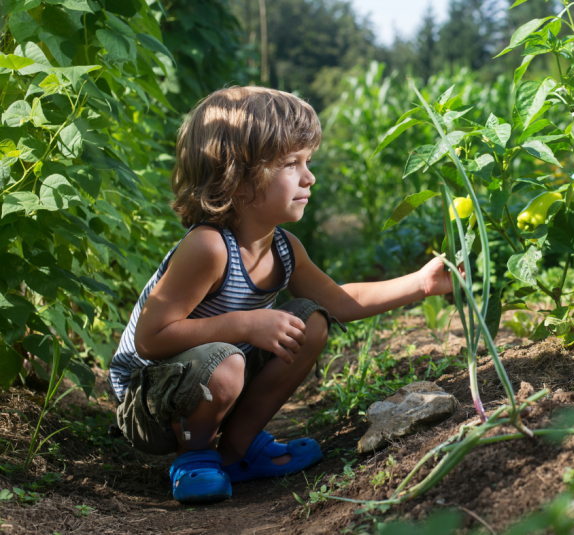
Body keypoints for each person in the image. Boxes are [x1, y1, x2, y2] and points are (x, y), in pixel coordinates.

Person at [108, 86, 454, 503]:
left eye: (307, 161)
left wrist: (421, 283)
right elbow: (151, 337)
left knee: (312, 321)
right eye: (291, 163)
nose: (309, 177)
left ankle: (236, 450)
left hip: (216, 378)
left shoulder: (284, 248)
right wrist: (246, 323)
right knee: (227, 362)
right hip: (149, 401)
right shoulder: (208, 247)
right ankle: (194, 456)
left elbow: (341, 301)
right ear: (236, 180)